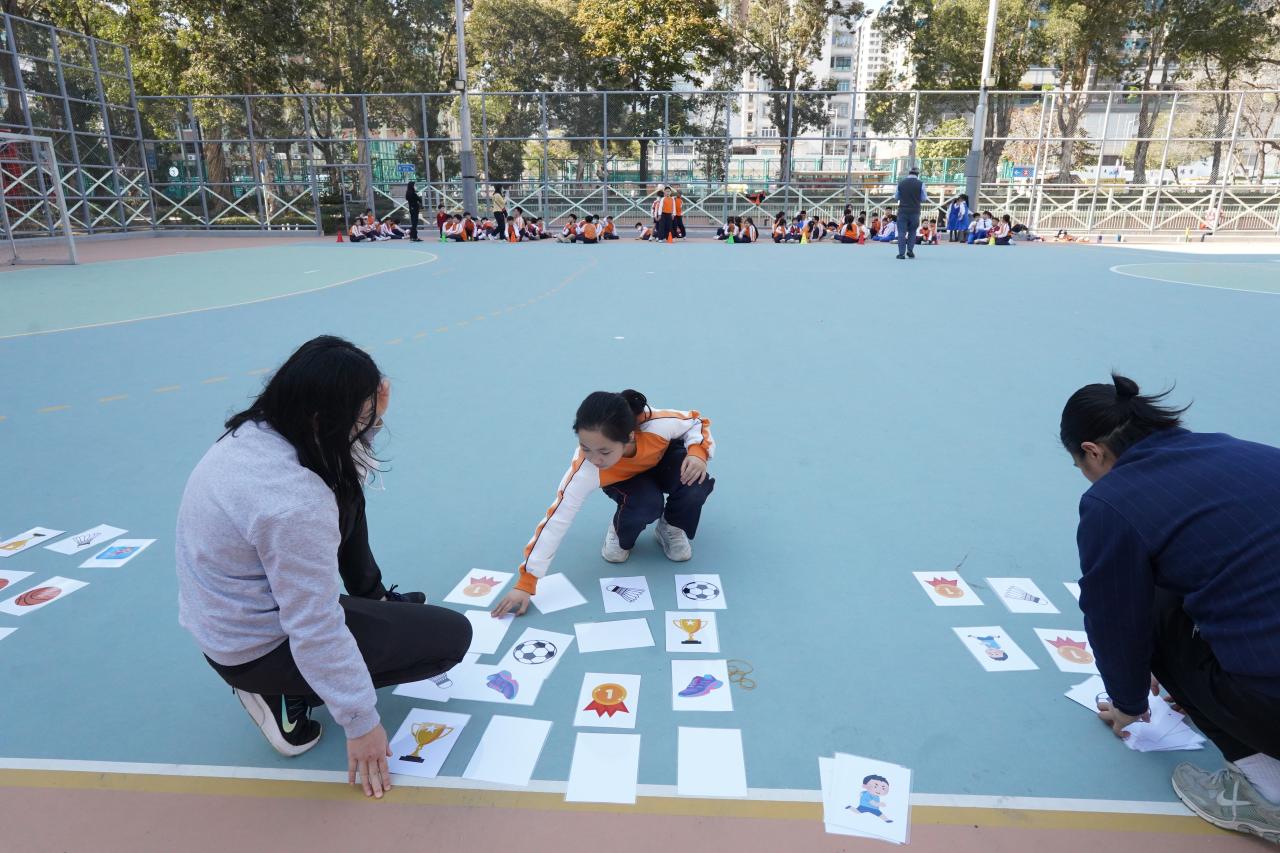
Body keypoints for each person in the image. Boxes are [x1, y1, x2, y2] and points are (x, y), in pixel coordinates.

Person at [175, 336, 471, 798]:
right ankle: (280, 692)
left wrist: (372, 419)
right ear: (326, 418)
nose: (373, 416)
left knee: (345, 487)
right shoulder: (294, 503)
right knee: (451, 638)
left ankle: (371, 599)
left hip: (226, 619)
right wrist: (361, 723)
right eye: (365, 410)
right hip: (256, 647)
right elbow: (313, 625)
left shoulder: (259, 432)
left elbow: (343, 465)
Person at [1061, 374, 1280, 843]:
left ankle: (1268, 794)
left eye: (1080, 464)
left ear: (1093, 452)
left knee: (1153, 612)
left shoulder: (1111, 502)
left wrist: (1128, 703)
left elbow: (1115, 618)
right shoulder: (1248, 452)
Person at [491, 391, 715, 618]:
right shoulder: (587, 470)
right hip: (625, 480)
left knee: (696, 484)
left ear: (629, 437)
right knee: (647, 504)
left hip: (661, 462)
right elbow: (556, 519)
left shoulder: (658, 425)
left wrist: (697, 453)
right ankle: (619, 531)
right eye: (585, 448)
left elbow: (695, 421)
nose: (594, 459)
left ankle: (671, 526)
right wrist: (526, 583)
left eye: (604, 451)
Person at [893, 166, 926, 259]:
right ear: (917, 174)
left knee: (901, 232)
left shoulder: (901, 183)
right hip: (915, 211)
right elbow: (924, 198)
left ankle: (901, 253)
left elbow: (896, 197)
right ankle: (910, 251)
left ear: (909, 173)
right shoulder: (921, 184)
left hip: (902, 211)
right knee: (912, 231)